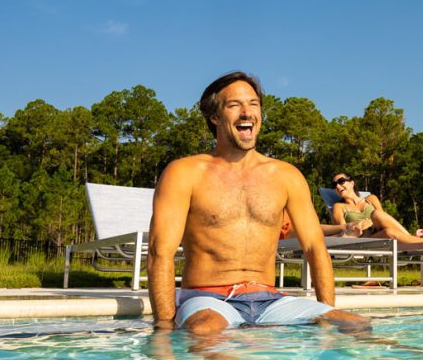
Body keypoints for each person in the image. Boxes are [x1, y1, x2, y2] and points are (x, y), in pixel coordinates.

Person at [146, 71, 370, 335]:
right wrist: (163, 328)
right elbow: (160, 252)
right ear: (214, 116)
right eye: (234, 105)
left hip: (270, 301)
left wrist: (324, 319)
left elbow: (314, 247)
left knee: (356, 325)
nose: (246, 112)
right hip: (208, 299)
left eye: (253, 104)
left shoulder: (286, 175)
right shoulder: (184, 172)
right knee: (207, 330)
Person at [329, 173, 423, 244]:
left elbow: (382, 219)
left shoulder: (371, 198)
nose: (337, 186)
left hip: (378, 230)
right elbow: (344, 234)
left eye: (341, 181)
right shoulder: (338, 207)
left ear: (352, 183)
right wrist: (362, 226)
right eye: (334, 185)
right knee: (387, 230)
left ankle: (415, 239)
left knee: (378, 216)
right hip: (364, 238)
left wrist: (371, 223)